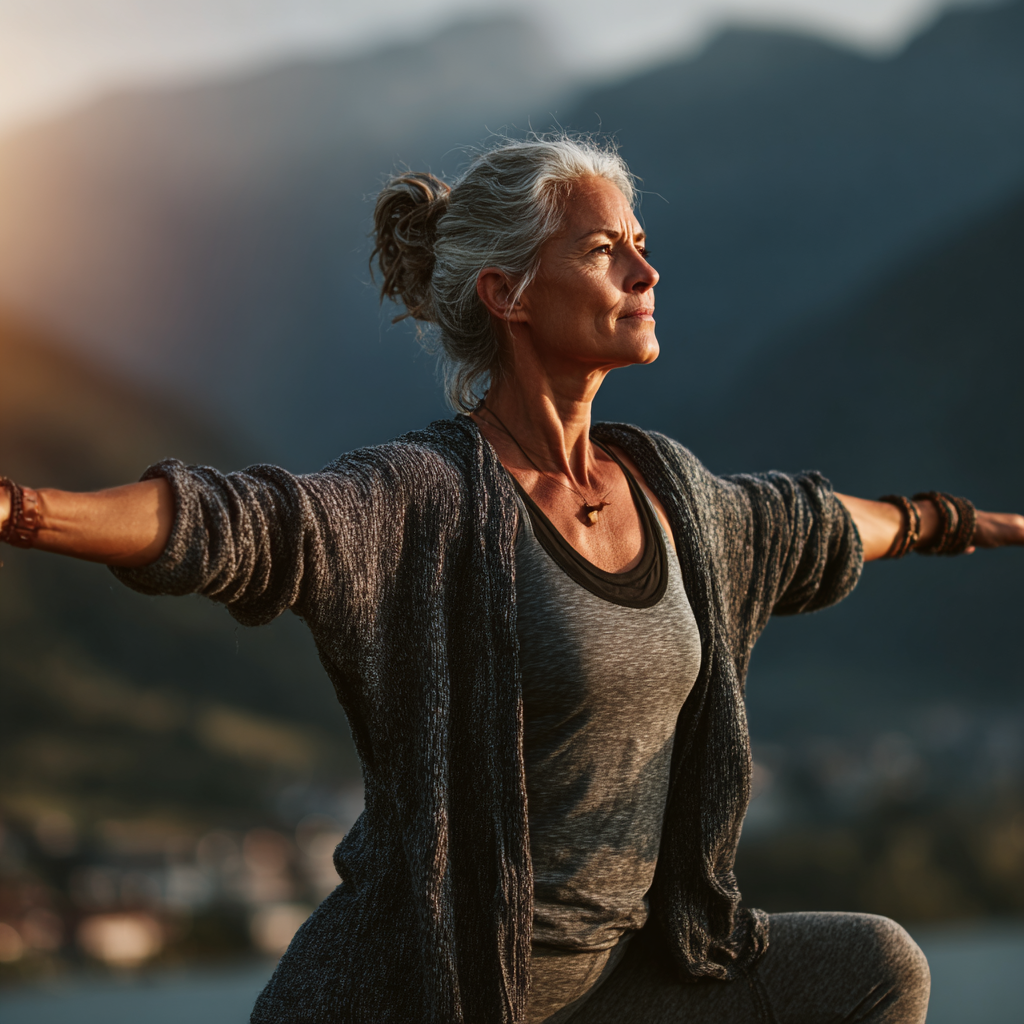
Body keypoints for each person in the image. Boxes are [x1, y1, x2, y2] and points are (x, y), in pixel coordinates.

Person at [1, 136, 1022, 1024]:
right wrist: (21, 509)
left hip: (615, 991)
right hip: (425, 997)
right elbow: (239, 519)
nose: (644, 272)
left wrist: (951, 521)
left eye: (641, 247)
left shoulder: (679, 497)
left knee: (874, 970)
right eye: (603, 249)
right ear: (507, 292)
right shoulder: (426, 498)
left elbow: (813, 523)